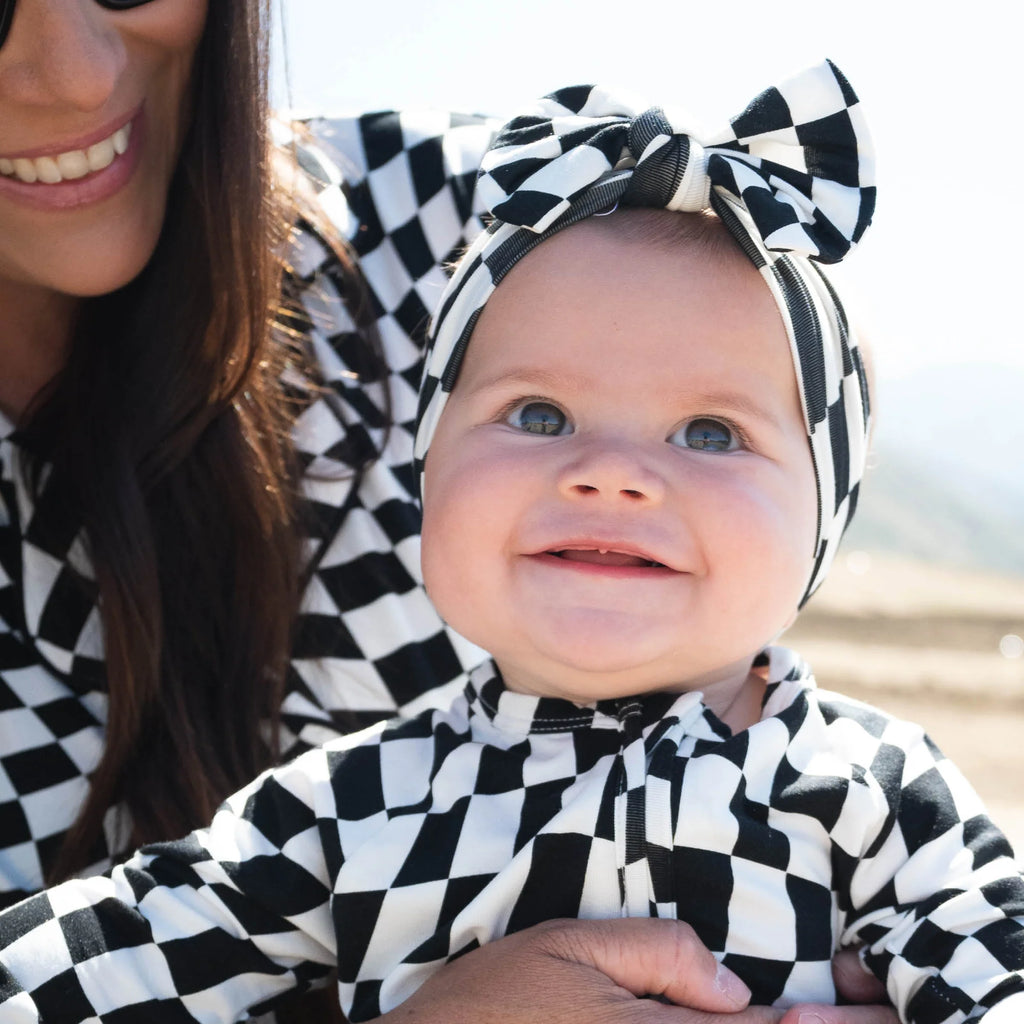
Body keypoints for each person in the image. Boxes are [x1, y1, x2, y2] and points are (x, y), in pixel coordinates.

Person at [0, 61, 1015, 1023]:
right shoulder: (360, 803)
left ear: (821, 522)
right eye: (537, 414)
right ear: (429, 476)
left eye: (710, 433)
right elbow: (85, 970)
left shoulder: (866, 790)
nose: (610, 472)